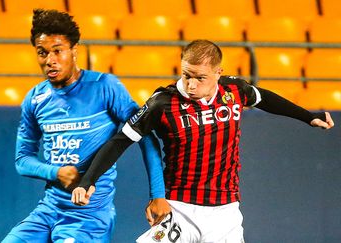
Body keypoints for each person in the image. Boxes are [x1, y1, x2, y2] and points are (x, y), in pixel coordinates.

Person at [71, 39, 335, 242]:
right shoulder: (162, 103)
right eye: (187, 75)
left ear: (219, 73)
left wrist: (306, 117)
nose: (192, 84)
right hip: (180, 208)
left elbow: (264, 98)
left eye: (200, 77)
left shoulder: (234, 91)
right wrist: (88, 180)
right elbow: (120, 141)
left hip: (225, 212)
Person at [2, 9, 170, 243]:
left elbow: (146, 137)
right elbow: (22, 161)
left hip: (90, 216)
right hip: (48, 211)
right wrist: (55, 172)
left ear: (74, 50)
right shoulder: (35, 99)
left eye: (57, 51)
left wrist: (158, 195)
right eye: (42, 53)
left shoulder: (105, 87)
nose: (49, 60)